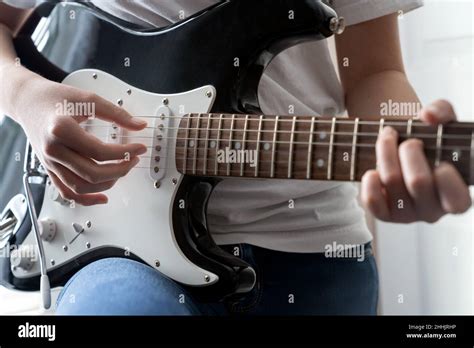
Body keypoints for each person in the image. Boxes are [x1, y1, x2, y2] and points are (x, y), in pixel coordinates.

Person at [0, 0, 470, 315]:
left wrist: (407, 146)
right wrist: (25, 96)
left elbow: (376, 70)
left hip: (312, 250)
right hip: (120, 251)